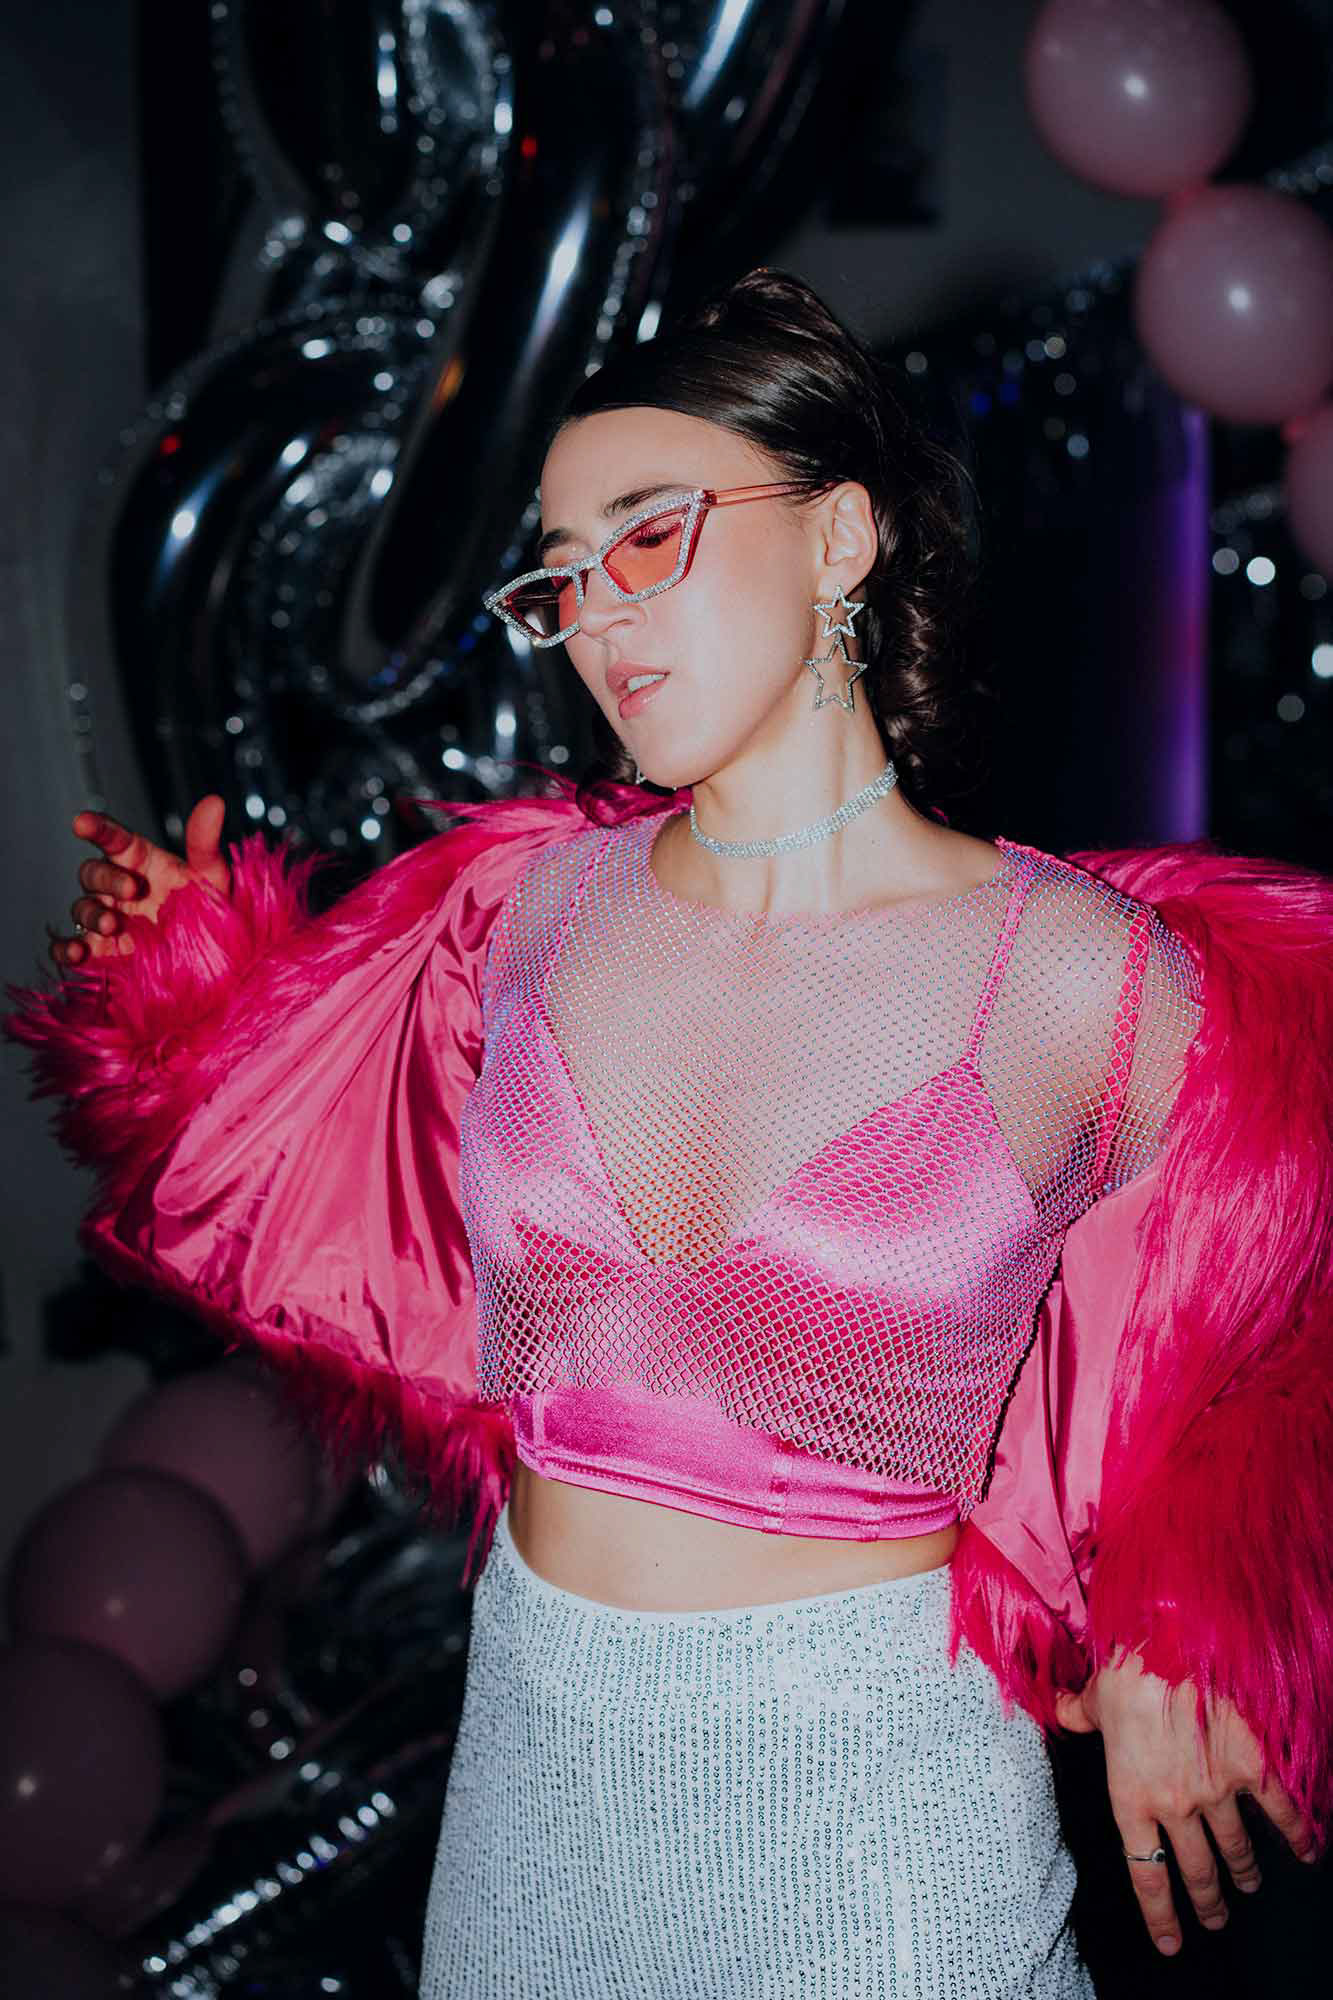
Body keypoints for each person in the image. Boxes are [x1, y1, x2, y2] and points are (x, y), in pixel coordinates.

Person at [6, 268, 1332, 1998]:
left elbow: (1272, 1328)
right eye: (562, 573)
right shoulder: (517, 912)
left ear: (840, 537)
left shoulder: (1087, 977)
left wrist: (1184, 1603)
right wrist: (194, 986)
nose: (597, 618)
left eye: (649, 535)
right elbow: (332, 1187)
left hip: (883, 1844)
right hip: (529, 1806)